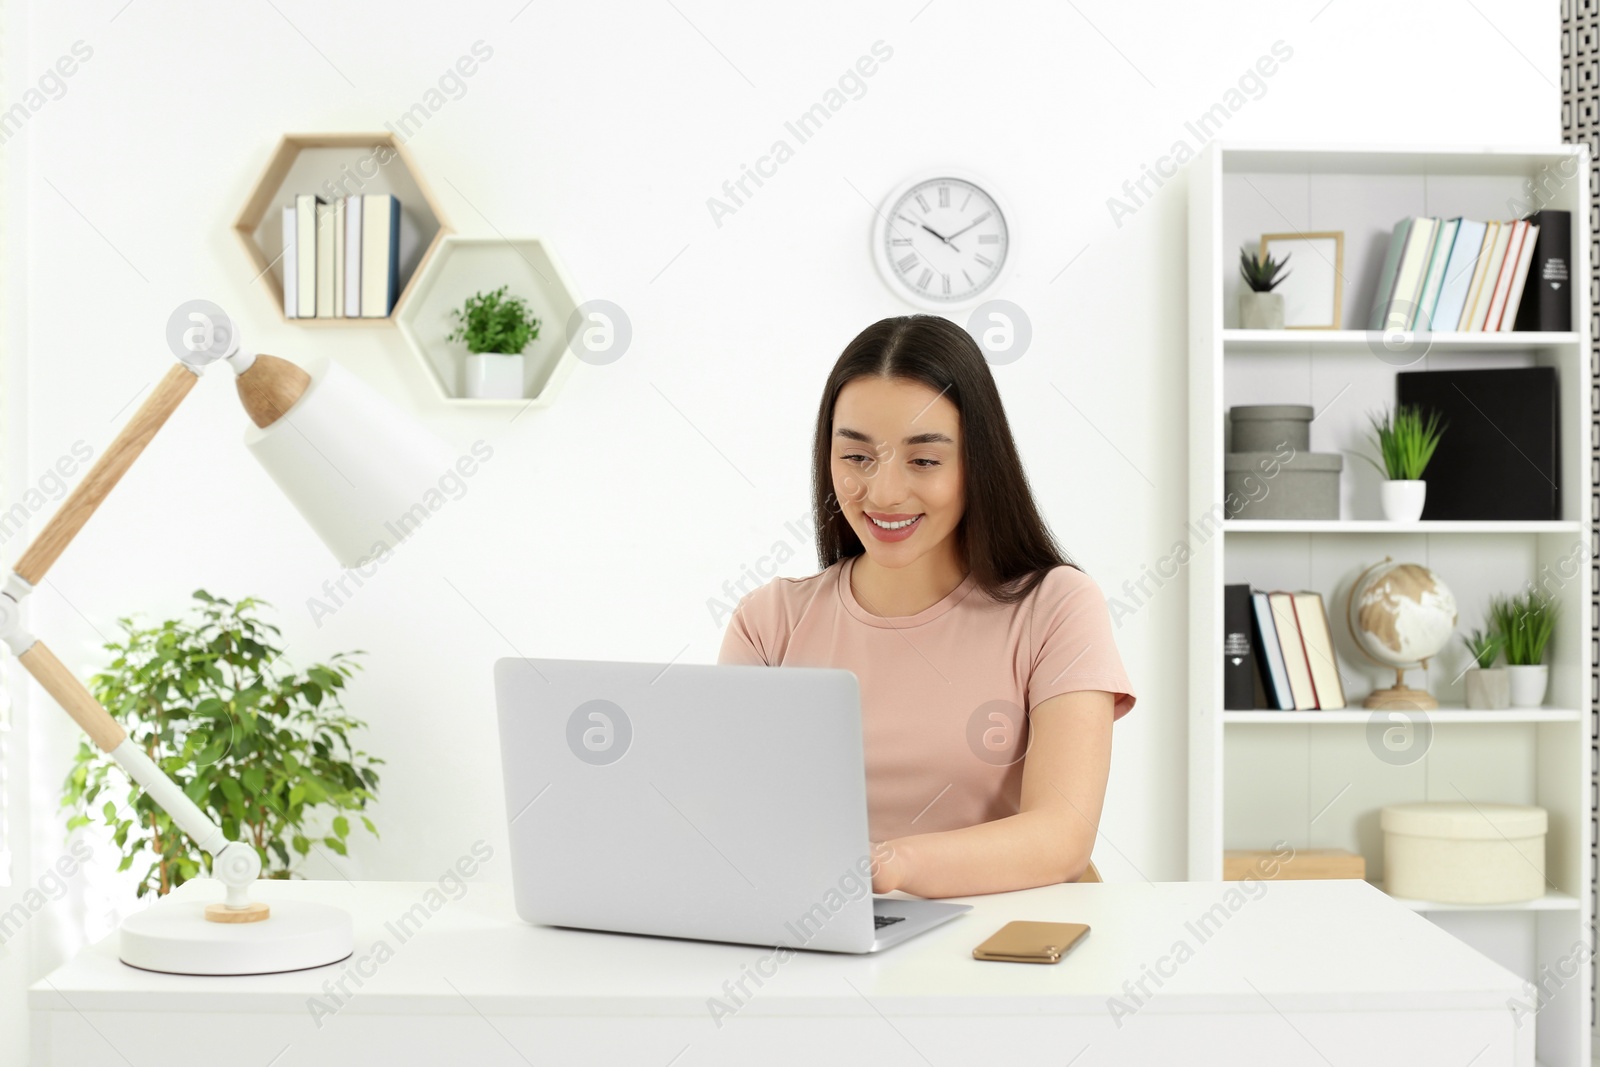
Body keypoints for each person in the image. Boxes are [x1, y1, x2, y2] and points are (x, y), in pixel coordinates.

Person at [718, 314, 1136, 899]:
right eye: (857, 458)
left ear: (977, 464)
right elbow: (732, 820)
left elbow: (1062, 836)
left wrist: (887, 869)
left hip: (1000, 948)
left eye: (924, 460)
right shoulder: (769, 623)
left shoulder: (1056, 607)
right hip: (821, 945)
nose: (884, 492)